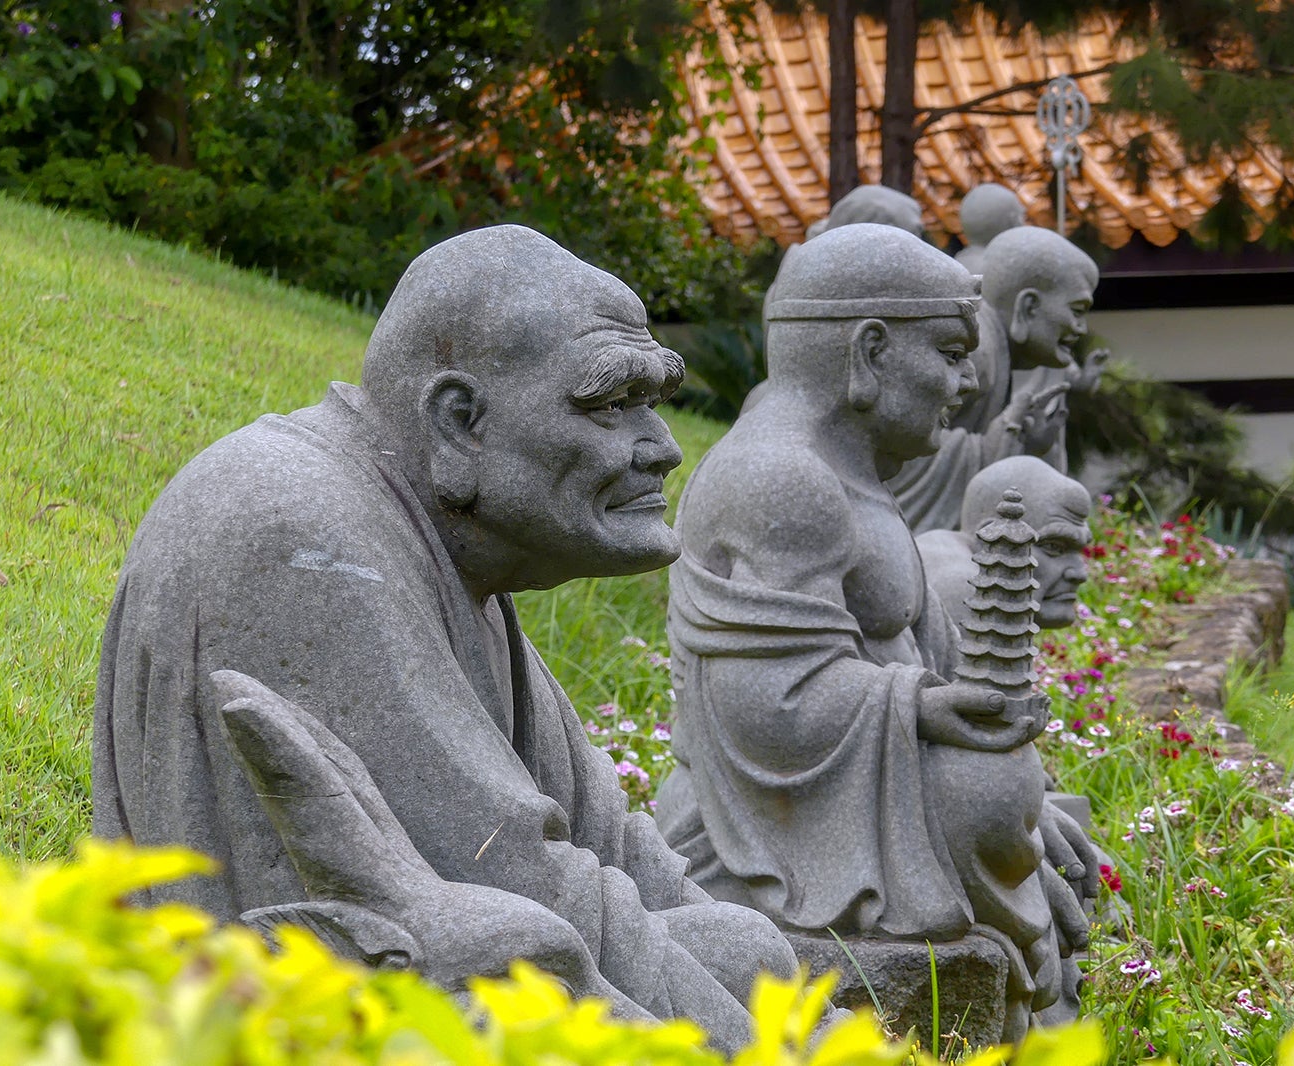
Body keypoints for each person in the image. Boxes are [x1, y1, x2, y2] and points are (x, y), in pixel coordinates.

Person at [91, 225, 796, 1051]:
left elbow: (617, 859)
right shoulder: (300, 531)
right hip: (303, 1023)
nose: (663, 448)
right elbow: (516, 899)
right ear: (459, 424)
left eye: (653, 402)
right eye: (610, 404)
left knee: (750, 951)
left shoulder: (460, 562)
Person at [653, 224, 1096, 1042]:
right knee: (995, 794)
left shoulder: (851, 471)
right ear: (871, 352)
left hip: (849, 788)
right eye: (950, 353)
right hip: (762, 824)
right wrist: (927, 714)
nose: (966, 383)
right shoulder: (779, 478)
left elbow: (876, 655)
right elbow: (765, 707)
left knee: (1036, 801)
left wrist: (957, 722)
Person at [887, 226, 1099, 532]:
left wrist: (1024, 441)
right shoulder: (978, 351)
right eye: (1077, 310)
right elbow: (903, 442)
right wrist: (1002, 438)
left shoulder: (994, 352)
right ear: (1028, 307)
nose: (1080, 328)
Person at [917, 456, 1093, 639]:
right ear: (992, 539)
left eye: (1079, 550)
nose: (1080, 574)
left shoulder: (942, 547)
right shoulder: (968, 591)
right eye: (1054, 547)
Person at [954, 183, 1028, 273]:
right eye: (1019, 216)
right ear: (1012, 222)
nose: (1023, 222)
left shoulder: (956, 264)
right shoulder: (1008, 271)